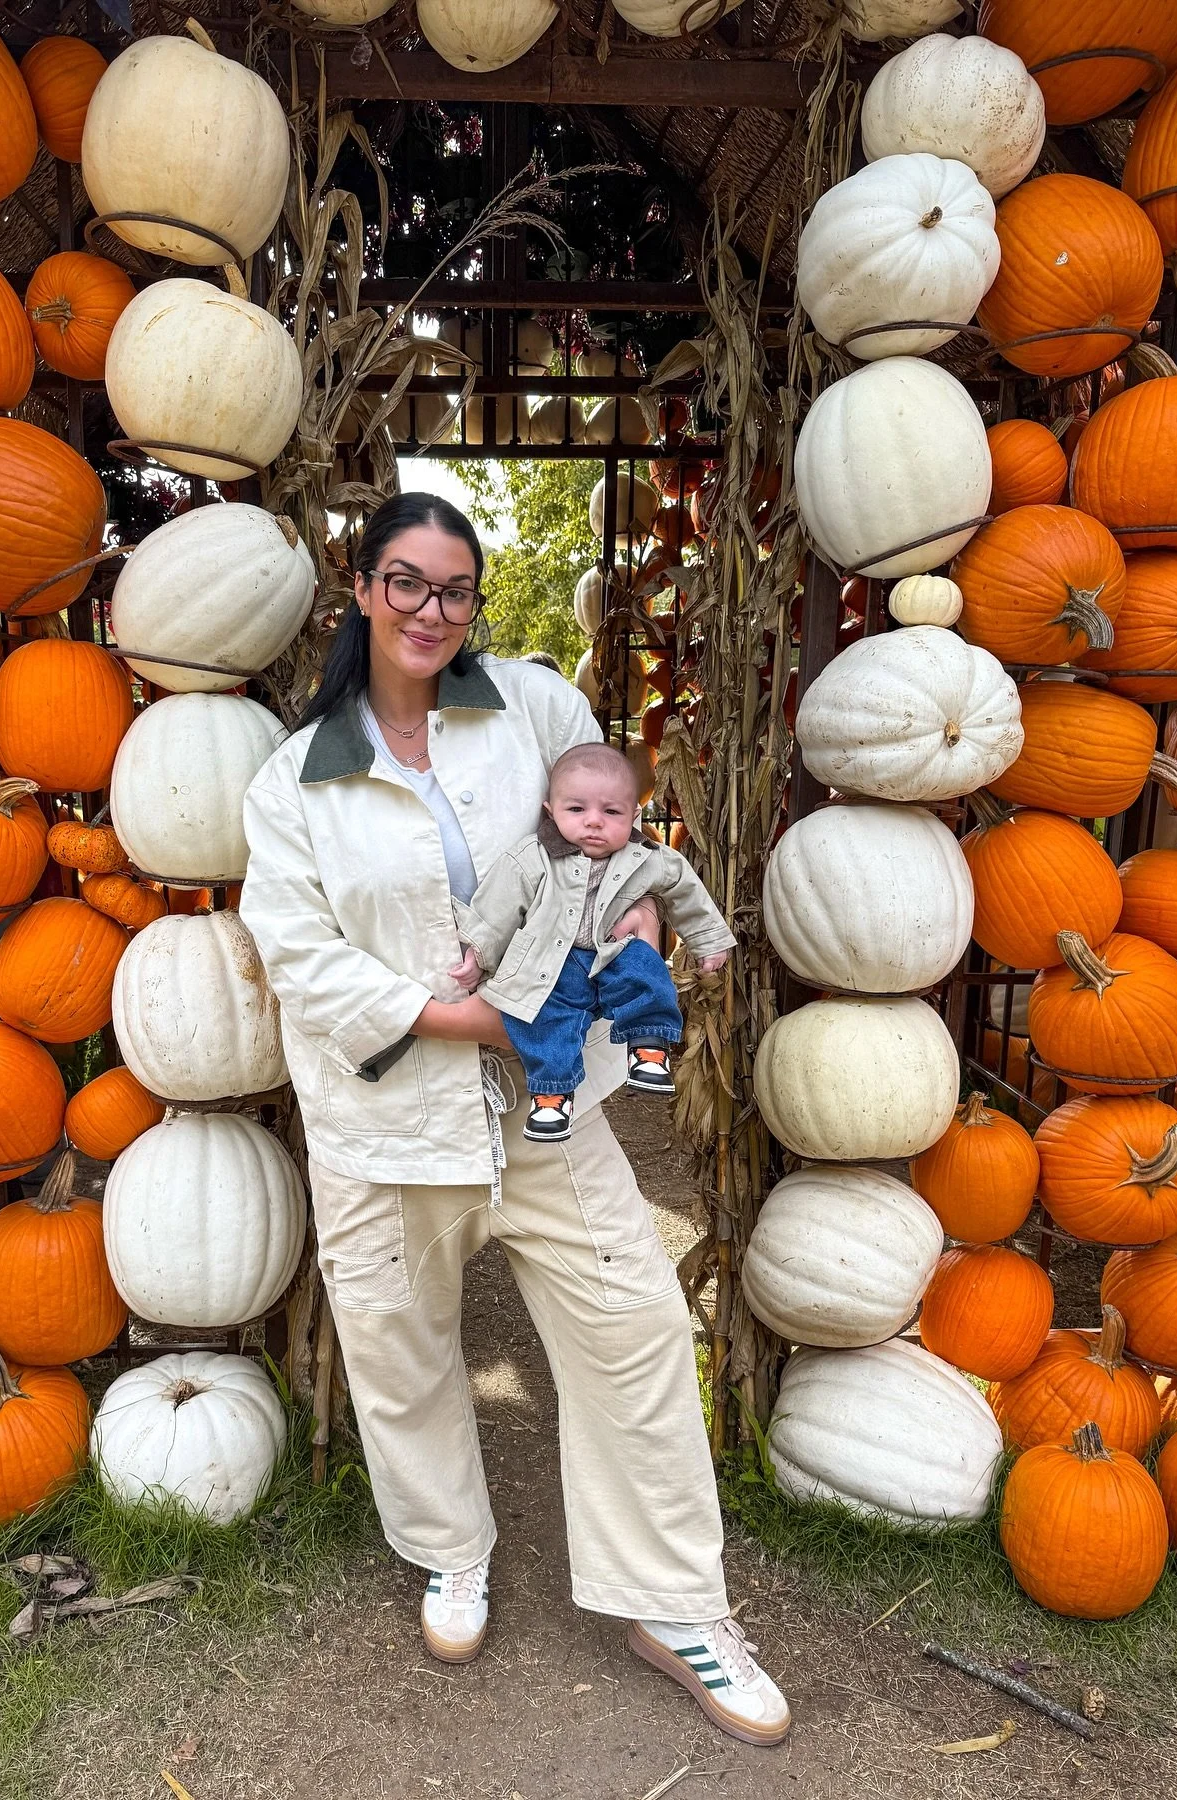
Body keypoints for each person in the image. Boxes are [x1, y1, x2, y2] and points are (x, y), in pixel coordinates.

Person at [238, 492, 790, 1746]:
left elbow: (599, 843)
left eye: (455, 589)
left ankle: (674, 1603)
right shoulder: (296, 780)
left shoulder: (531, 708)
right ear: (362, 589)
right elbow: (300, 959)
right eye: (407, 583)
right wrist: (474, 1023)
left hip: (546, 1111)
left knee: (639, 1326)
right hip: (385, 1121)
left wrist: (636, 924)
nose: (432, 610)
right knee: (400, 1348)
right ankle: (451, 1552)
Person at [448, 741, 734, 1142]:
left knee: (645, 968)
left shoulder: (646, 857)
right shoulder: (535, 856)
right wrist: (479, 952)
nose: (594, 822)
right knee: (545, 1018)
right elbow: (500, 904)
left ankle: (648, 1044)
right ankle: (551, 1095)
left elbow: (685, 890)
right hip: (553, 962)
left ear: (634, 815)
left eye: (611, 812)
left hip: (611, 950)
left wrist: (707, 940)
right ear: (551, 811)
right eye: (576, 810)